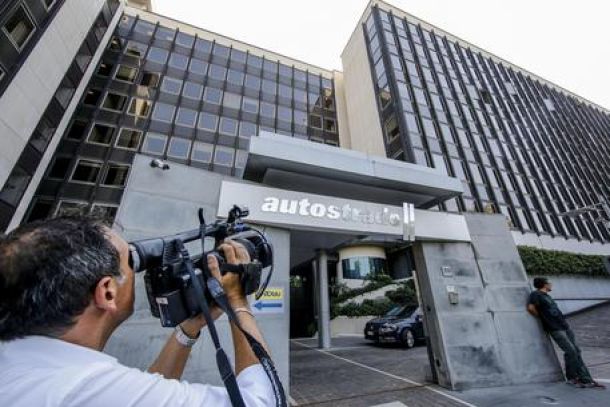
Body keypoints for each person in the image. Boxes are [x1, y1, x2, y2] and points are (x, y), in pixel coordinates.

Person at [0, 215, 276, 406]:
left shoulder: (23, 368)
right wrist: (237, 299)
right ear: (107, 292)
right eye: (130, 263)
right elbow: (263, 402)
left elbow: (149, 387)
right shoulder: (82, 388)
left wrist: (189, 328)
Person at [527, 277, 605, 389]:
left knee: (576, 351)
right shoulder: (536, 294)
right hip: (554, 328)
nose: (551, 285)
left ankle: (583, 379)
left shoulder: (547, 296)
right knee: (571, 351)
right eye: (549, 283)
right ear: (544, 284)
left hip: (564, 326)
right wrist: (543, 317)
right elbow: (531, 308)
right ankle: (574, 378)